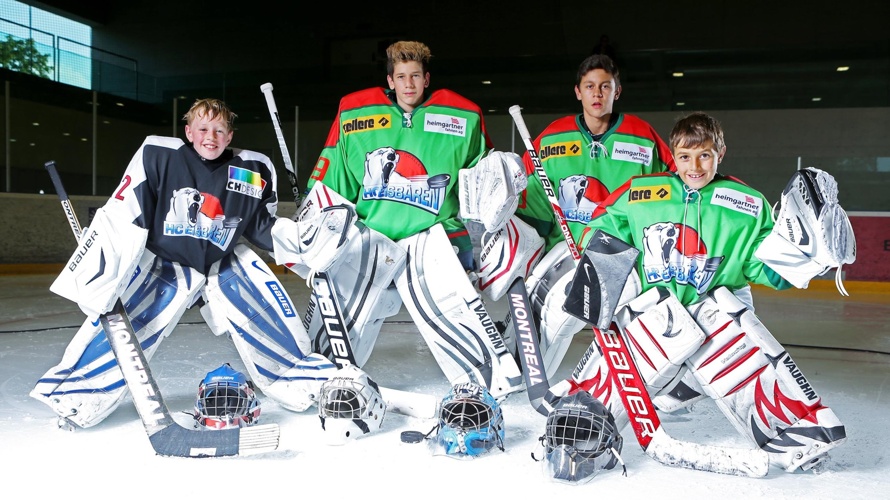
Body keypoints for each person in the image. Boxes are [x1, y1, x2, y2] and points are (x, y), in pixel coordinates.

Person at [550, 111, 854, 472]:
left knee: (739, 346)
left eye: (705, 155)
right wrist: (597, 264)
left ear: (720, 153)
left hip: (716, 314)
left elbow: (762, 264)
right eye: (684, 156)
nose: (694, 166)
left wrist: (805, 261)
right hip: (658, 315)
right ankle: (587, 427)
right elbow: (604, 228)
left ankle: (797, 439)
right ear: (672, 155)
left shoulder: (746, 203)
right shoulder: (640, 193)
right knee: (614, 377)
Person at [31, 98, 339, 429]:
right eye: (203, 128)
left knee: (264, 313)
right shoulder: (158, 155)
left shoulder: (254, 169)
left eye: (219, 130)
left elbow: (261, 226)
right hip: (165, 264)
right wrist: (103, 263)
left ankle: (304, 381)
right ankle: (79, 394)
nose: (211, 136)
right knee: (131, 325)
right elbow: (126, 211)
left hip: (223, 263)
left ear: (230, 135)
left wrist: (305, 240)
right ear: (188, 131)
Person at [273, 41, 525, 400]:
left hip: (433, 237)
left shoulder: (464, 117)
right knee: (339, 327)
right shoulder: (354, 114)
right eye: (402, 77)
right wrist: (313, 218)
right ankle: (320, 379)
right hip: (370, 236)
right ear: (390, 80)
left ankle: (486, 384)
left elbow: (482, 181)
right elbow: (334, 180)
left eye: (416, 76)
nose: (409, 84)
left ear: (427, 79)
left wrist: (504, 176)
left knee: (452, 310)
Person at [477, 54, 676, 381]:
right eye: (590, 87)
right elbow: (530, 199)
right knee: (535, 309)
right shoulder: (554, 137)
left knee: (567, 314)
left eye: (605, 87)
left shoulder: (643, 138)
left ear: (617, 91)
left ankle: (628, 385)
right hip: (564, 248)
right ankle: (519, 372)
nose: (597, 94)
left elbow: (671, 189)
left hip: (617, 253)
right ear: (578, 92)